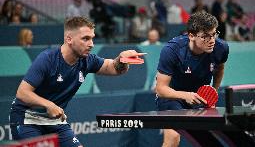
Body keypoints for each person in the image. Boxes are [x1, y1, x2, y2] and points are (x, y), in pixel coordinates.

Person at [9, 16, 144, 147]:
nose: (91, 44)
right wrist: (48, 105)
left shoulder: (87, 60)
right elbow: (22, 93)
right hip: (27, 119)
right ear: (69, 39)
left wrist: (121, 59)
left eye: (92, 38)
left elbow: (113, 68)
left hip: (55, 121)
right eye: (85, 39)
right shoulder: (48, 59)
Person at [155, 12, 229, 147]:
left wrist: (214, 90)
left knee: (208, 139)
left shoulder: (221, 48)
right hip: (172, 96)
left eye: (214, 34)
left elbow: (220, 68)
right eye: (205, 36)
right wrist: (185, 95)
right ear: (191, 36)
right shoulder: (172, 50)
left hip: (200, 97)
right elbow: (160, 89)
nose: (212, 40)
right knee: (173, 137)